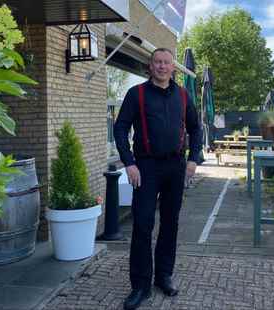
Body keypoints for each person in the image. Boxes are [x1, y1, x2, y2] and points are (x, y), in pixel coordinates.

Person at [114, 48, 202, 310]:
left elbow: (196, 129)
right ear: (150, 66)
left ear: (172, 68)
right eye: (158, 62)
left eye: (167, 63)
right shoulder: (136, 94)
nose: (162, 66)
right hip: (146, 166)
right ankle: (140, 286)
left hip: (176, 166)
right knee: (142, 224)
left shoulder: (183, 96)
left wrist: (193, 158)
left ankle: (163, 275)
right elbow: (120, 128)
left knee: (170, 223)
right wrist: (129, 162)